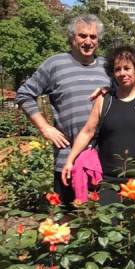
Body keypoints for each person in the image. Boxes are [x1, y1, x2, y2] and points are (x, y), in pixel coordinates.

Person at [16, 14, 111, 205]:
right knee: (67, 223)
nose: (88, 41)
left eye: (93, 37)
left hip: (103, 160)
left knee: (104, 224)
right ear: (72, 38)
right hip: (67, 160)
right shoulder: (55, 64)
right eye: (82, 35)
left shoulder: (108, 67)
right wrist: (45, 128)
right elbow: (24, 94)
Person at [61, 46, 135, 205]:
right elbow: (87, 131)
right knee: (109, 227)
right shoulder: (104, 100)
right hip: (108, 180)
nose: (123, 73)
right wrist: (70, 160)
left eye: (127, 68)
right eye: (117, 69)